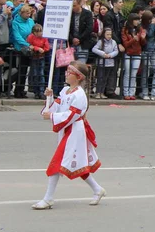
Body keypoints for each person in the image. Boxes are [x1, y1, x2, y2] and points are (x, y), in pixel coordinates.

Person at [33, 61, 104, 210]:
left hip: (74, 132)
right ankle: (97, 189)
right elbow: (59, 107)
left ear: (78, 77)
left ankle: (48, 199)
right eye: (67, 71)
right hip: (66, 130)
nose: (66, 74)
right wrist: (50, 99)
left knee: (57, 163)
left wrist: (52, 116)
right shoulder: (65, 91)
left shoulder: (79, 95)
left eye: (69, 72)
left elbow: (71, 115)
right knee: (76, 163)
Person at [121, 13, 146, 100]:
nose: (138, 22)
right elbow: (125, 44)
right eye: (136, 20)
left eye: (138, 20)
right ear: (131, 20)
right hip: (128, 52)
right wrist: (133, 39)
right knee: (127, 73)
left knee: (133, 74)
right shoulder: (125, 30)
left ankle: (131, 93)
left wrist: (143, 38)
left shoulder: (140, 29)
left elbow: (143, 44)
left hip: (137, 53)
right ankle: (125, 93)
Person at [92, 28, 119, 100]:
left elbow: (116, 51)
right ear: (104, 34)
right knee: (100, 78)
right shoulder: (100, 42)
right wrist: (103, 54)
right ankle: (98, 92)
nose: (109, 36)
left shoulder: (113, 42)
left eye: (110, 34)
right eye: (107, 34)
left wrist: (110, 55)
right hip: (101, 63)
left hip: (110, 63)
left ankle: (102, 92)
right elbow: (94, 49)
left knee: (105, 78)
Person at [27, 24, 50, 100]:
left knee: (41, 74)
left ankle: (41, 91)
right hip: (34, 57)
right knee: (35, 74)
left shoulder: (44, 38)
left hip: (41, 57)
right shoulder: (31, 37)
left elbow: (47, 47)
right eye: (37, 32)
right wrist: (37, 48)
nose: (39, 34)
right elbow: (29, 45)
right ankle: (36, 91)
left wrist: (43, 49)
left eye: (40, 31)